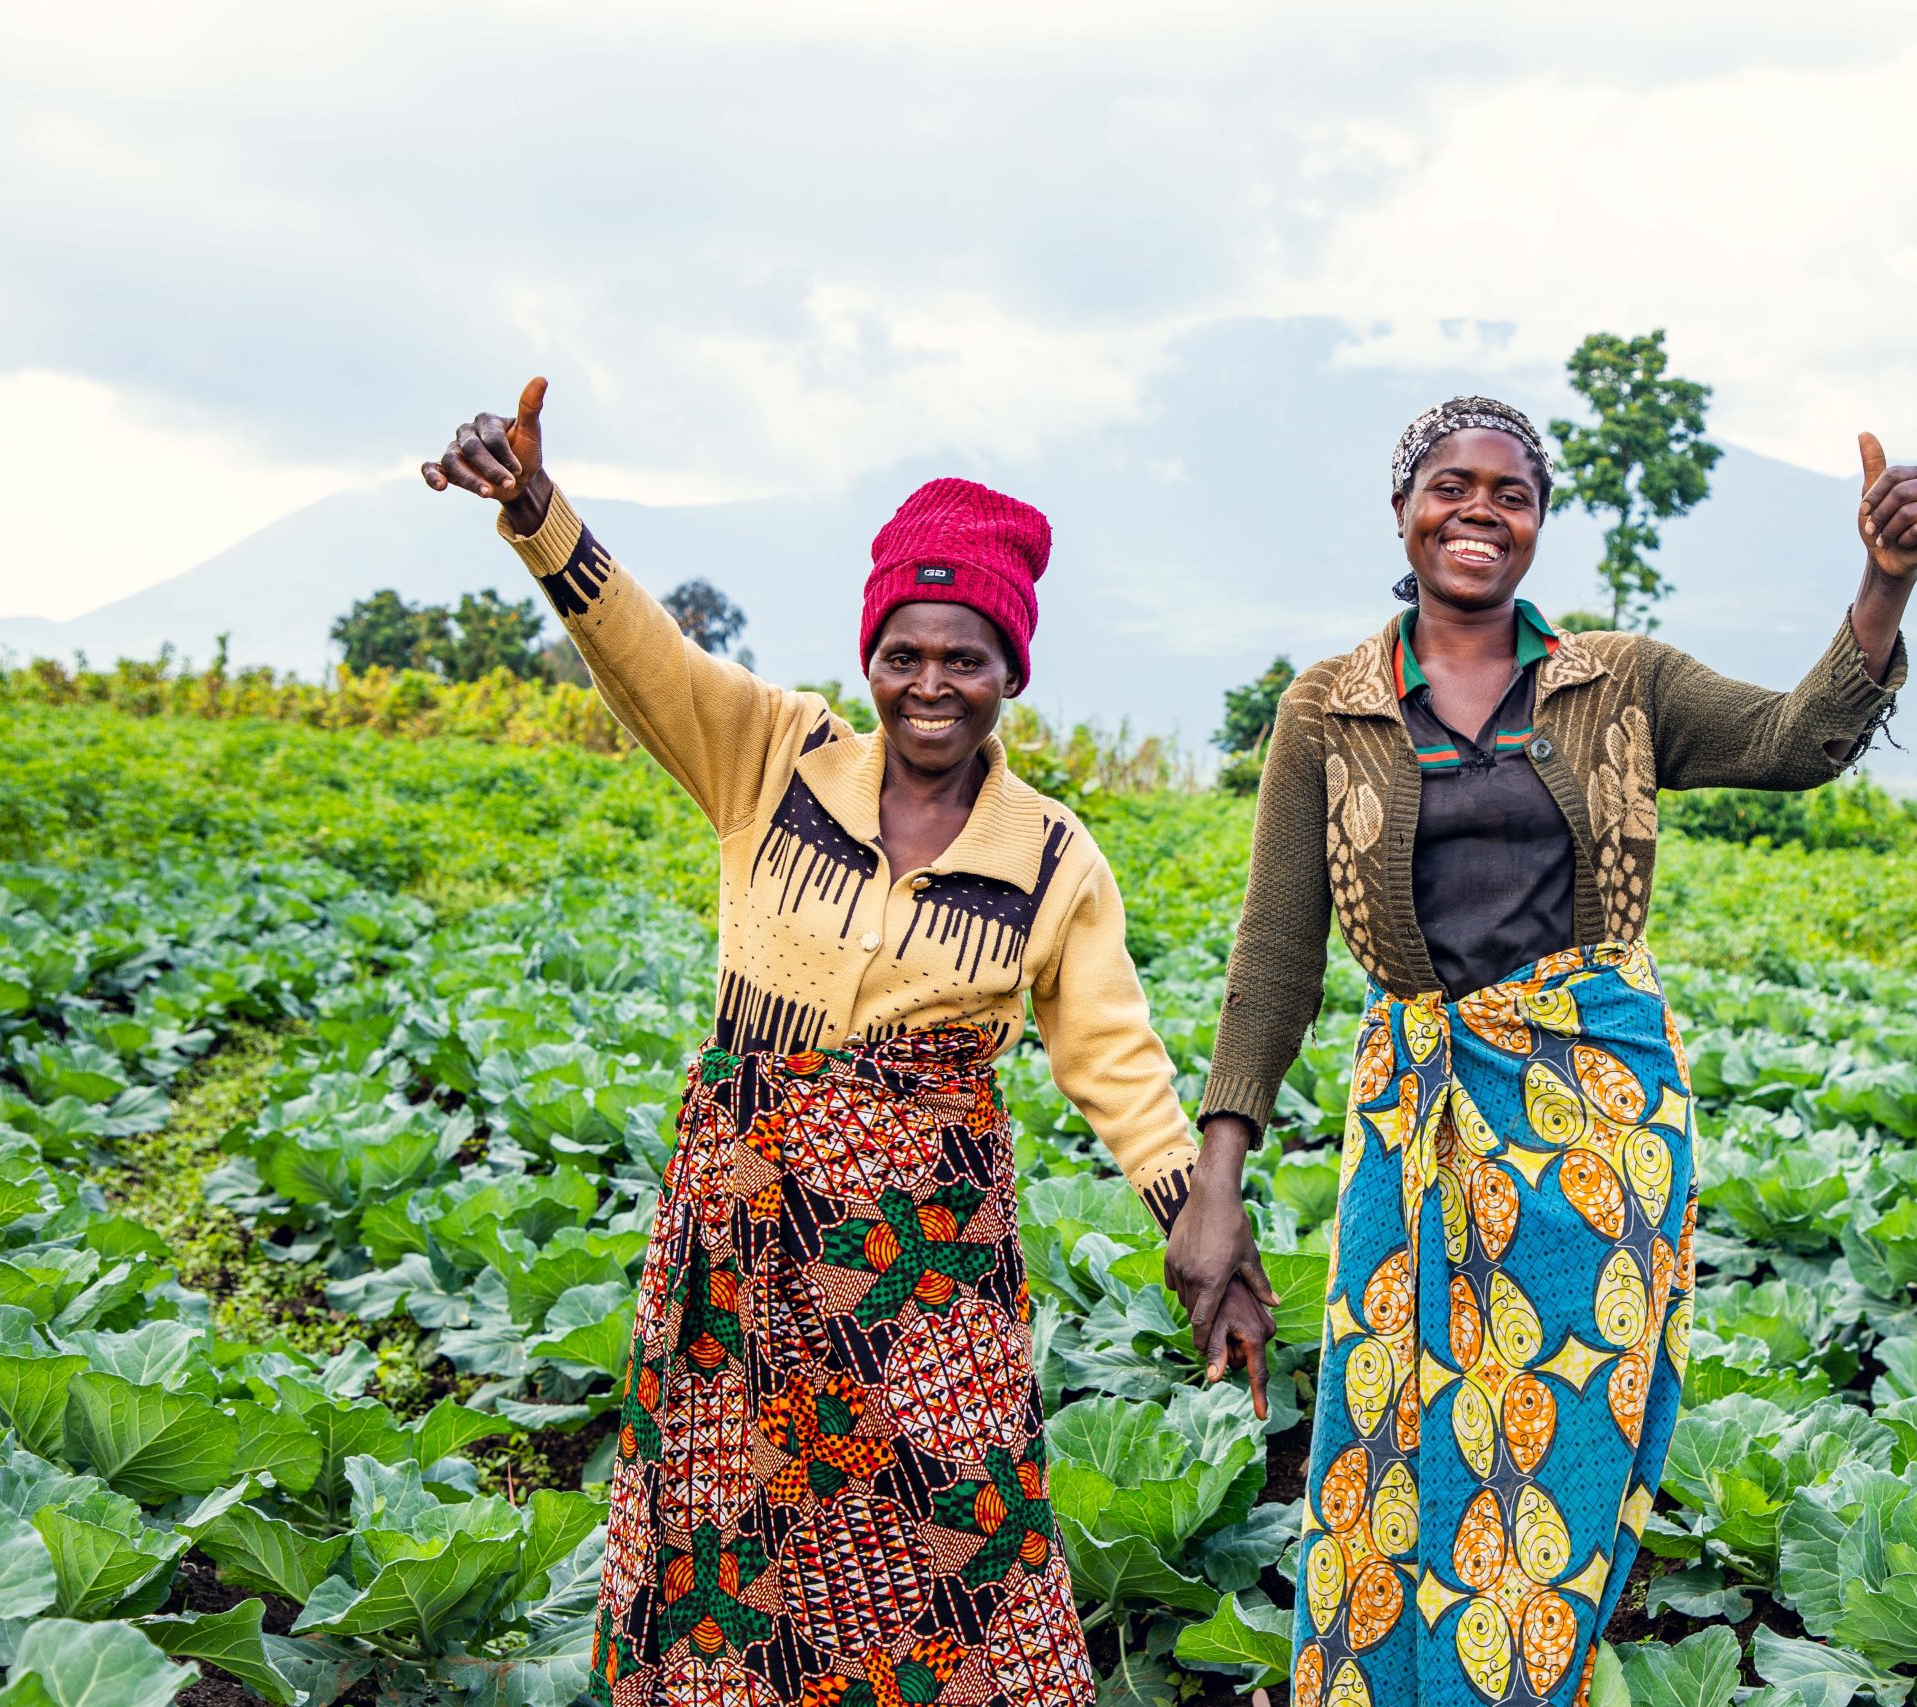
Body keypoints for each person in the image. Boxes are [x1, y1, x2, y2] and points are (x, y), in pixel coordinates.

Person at [421, 380, 1276, 1707]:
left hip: (917, 1280)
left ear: (1010, 672)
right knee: (735, 1546)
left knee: (957, 1548)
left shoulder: (1052, 853)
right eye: (905, 652)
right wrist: (538, 513)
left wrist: (1200, 1218)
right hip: (743, 1239)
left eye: (965, 657)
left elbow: (1115, 1058)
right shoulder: (771, 757)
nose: (931, 684)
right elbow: (644, 655)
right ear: (872, 654)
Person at [1174, 397, 1917, 1707]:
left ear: (1538, 522)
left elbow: (1793, 741)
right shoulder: (1330, 708)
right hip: (1417, 1124)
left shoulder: (1619, 682)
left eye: (1512, 493)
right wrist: (1219, 1172)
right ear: (1402, 506)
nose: (1480, 510)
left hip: (1595, 1135)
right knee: (1394, 1444)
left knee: (1560, 1457)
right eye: (1450, 485)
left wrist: (1883, 582)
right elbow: (1277, 956)